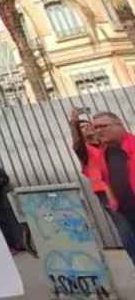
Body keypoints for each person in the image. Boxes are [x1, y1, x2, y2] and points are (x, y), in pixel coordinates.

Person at [71, 108, 135, 261]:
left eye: (90, 126)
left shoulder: (108, 146)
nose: (91, 129)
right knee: (126, 231)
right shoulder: (87, 150)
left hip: (121, 193)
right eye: (84, 128)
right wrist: (74, 126)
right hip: (106, 195)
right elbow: (77, 145)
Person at [92, 112, 135, 253]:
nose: (98, 131)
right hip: (127, 213)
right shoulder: (105, 153)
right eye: (96, 128)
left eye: (103, 126)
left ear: (119, 125)